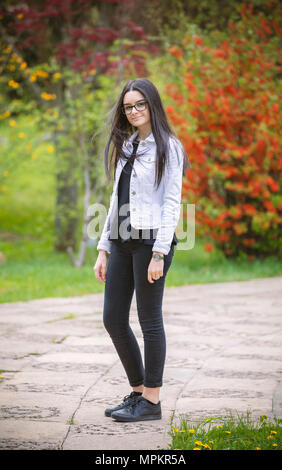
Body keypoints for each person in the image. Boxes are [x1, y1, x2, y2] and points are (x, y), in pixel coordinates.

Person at [93, 78, 190, 422]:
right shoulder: (126, 145)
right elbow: (115, 200)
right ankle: (137, 392)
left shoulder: (169, 147)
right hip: (120, 241)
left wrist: (160, 252)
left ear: (152, 105)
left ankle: (152, 400)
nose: (133, 112)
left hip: (151, 243)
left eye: (139, 105)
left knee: (149, 321)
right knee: (113, 318)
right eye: (128, 106)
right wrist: (103, 248)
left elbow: (172, 203)